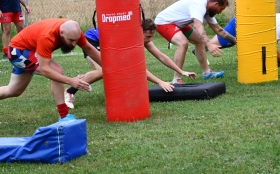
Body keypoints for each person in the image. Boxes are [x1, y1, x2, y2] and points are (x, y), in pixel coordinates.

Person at [0, 19, 101, 127]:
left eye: (76, 41)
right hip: (17, 52)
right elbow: (46, 69)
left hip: (28, 51)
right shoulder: (47, 36)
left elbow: (89, 48)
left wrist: (109, 67)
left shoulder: (74, 32)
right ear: (61, 33)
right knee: (56, 71)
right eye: (71, 41)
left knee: (14, 90)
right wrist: (71, 81)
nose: (73, 44)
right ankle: (64, 116)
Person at [63, 19, 197, 108]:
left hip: (106, 42)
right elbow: (137, 68)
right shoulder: (128, 41)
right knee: (103, 70)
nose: (150, 40)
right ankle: (69, 91)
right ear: (138, 32)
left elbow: (161, 56)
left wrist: (181, 71)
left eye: (152, 36)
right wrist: (160, 82)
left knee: (111, 70)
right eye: (148, 36)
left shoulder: (143, 39)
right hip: (93, 41)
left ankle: (84, 78)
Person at [154, 0, 236, 83]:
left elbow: (218, 29)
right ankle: (176, 79)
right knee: (183, 43)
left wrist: (235, 40)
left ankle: (207, 73)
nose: (220, 12)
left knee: (200, 41)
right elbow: (197, 26)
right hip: (164, 22)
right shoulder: (199, 5)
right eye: (221, 9)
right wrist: (209, 44)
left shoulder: (208, 11)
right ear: (216, 4)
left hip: (179, 23)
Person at [206, 14, 280, 67]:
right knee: (223, 43)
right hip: (240, 23)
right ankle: (198, 42)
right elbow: (271, 47)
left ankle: (200, 47)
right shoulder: (279, 26)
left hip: (251, 27)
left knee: (216, 44)